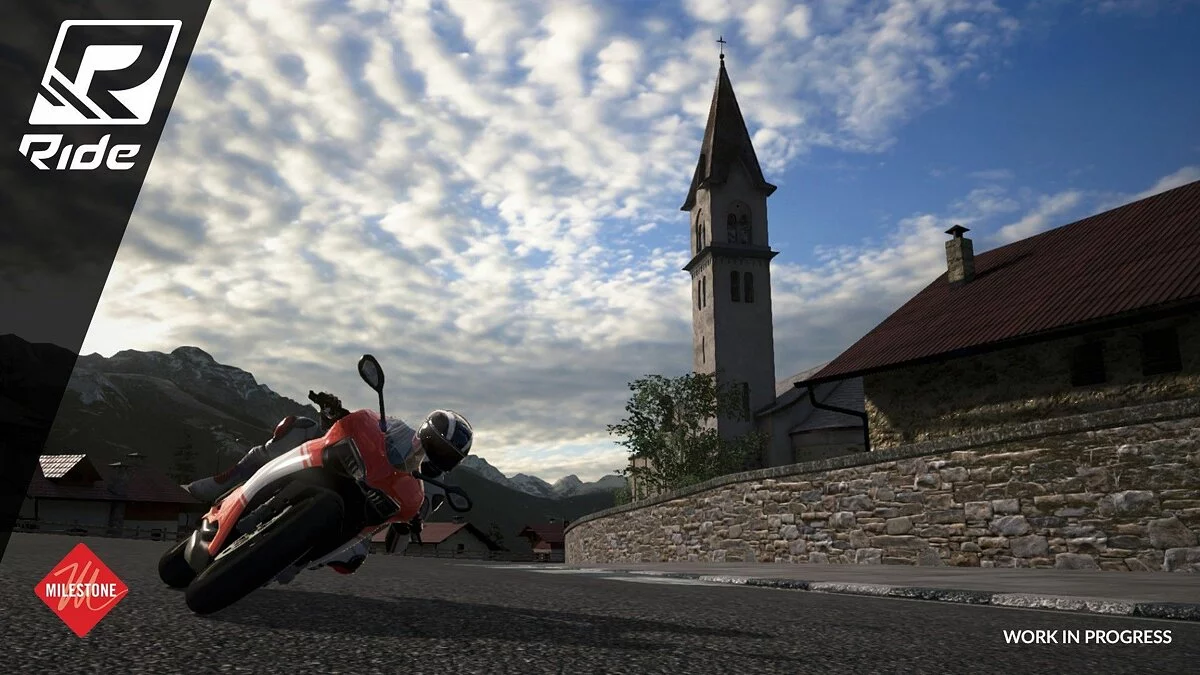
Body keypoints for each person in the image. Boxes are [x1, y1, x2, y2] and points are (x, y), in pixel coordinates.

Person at [182, 391, 474, 581]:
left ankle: (297, 559)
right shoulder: (395, 429)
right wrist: (333, 415)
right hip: (344, 473)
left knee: (354, 557)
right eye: (437, 444)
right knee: (299, 426)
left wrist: (409, 527)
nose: (436, 454)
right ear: (425, 431)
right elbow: (353, 430)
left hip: (361, 516)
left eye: (446, 454)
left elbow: (398, 543)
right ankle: (224, 481)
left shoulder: (434, 489)